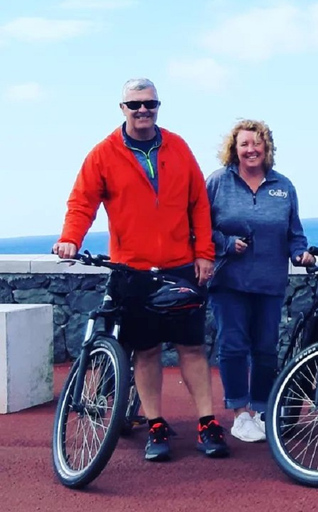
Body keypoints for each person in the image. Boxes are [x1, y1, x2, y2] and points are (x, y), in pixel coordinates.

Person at [53, 78, 229, 461]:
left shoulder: (178, 147)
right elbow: (82, 202)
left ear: (158, 106)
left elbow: (199, 203)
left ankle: (206, 422)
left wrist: (204, 253)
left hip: (181, 267)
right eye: (135, 105)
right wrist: (71, 238)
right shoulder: (103, 154)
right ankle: (155, 424)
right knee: (146, 352)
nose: (143, 110)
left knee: (193, 349)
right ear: (122, 109)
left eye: (150, 104)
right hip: (132, 270)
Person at [206, 119, 314, 443]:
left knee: (265, 349)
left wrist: (301, 254)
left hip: (270, 283)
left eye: (257, 143)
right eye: (244, 144)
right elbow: (196, 228)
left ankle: (263, 409)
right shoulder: (216, 183)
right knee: (234, 345)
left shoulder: (284, 187)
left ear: (266, 147)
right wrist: (225, 244)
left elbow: (295, 234)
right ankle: (240, 413)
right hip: (229, 282)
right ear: (234, 149)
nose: (251, 149)